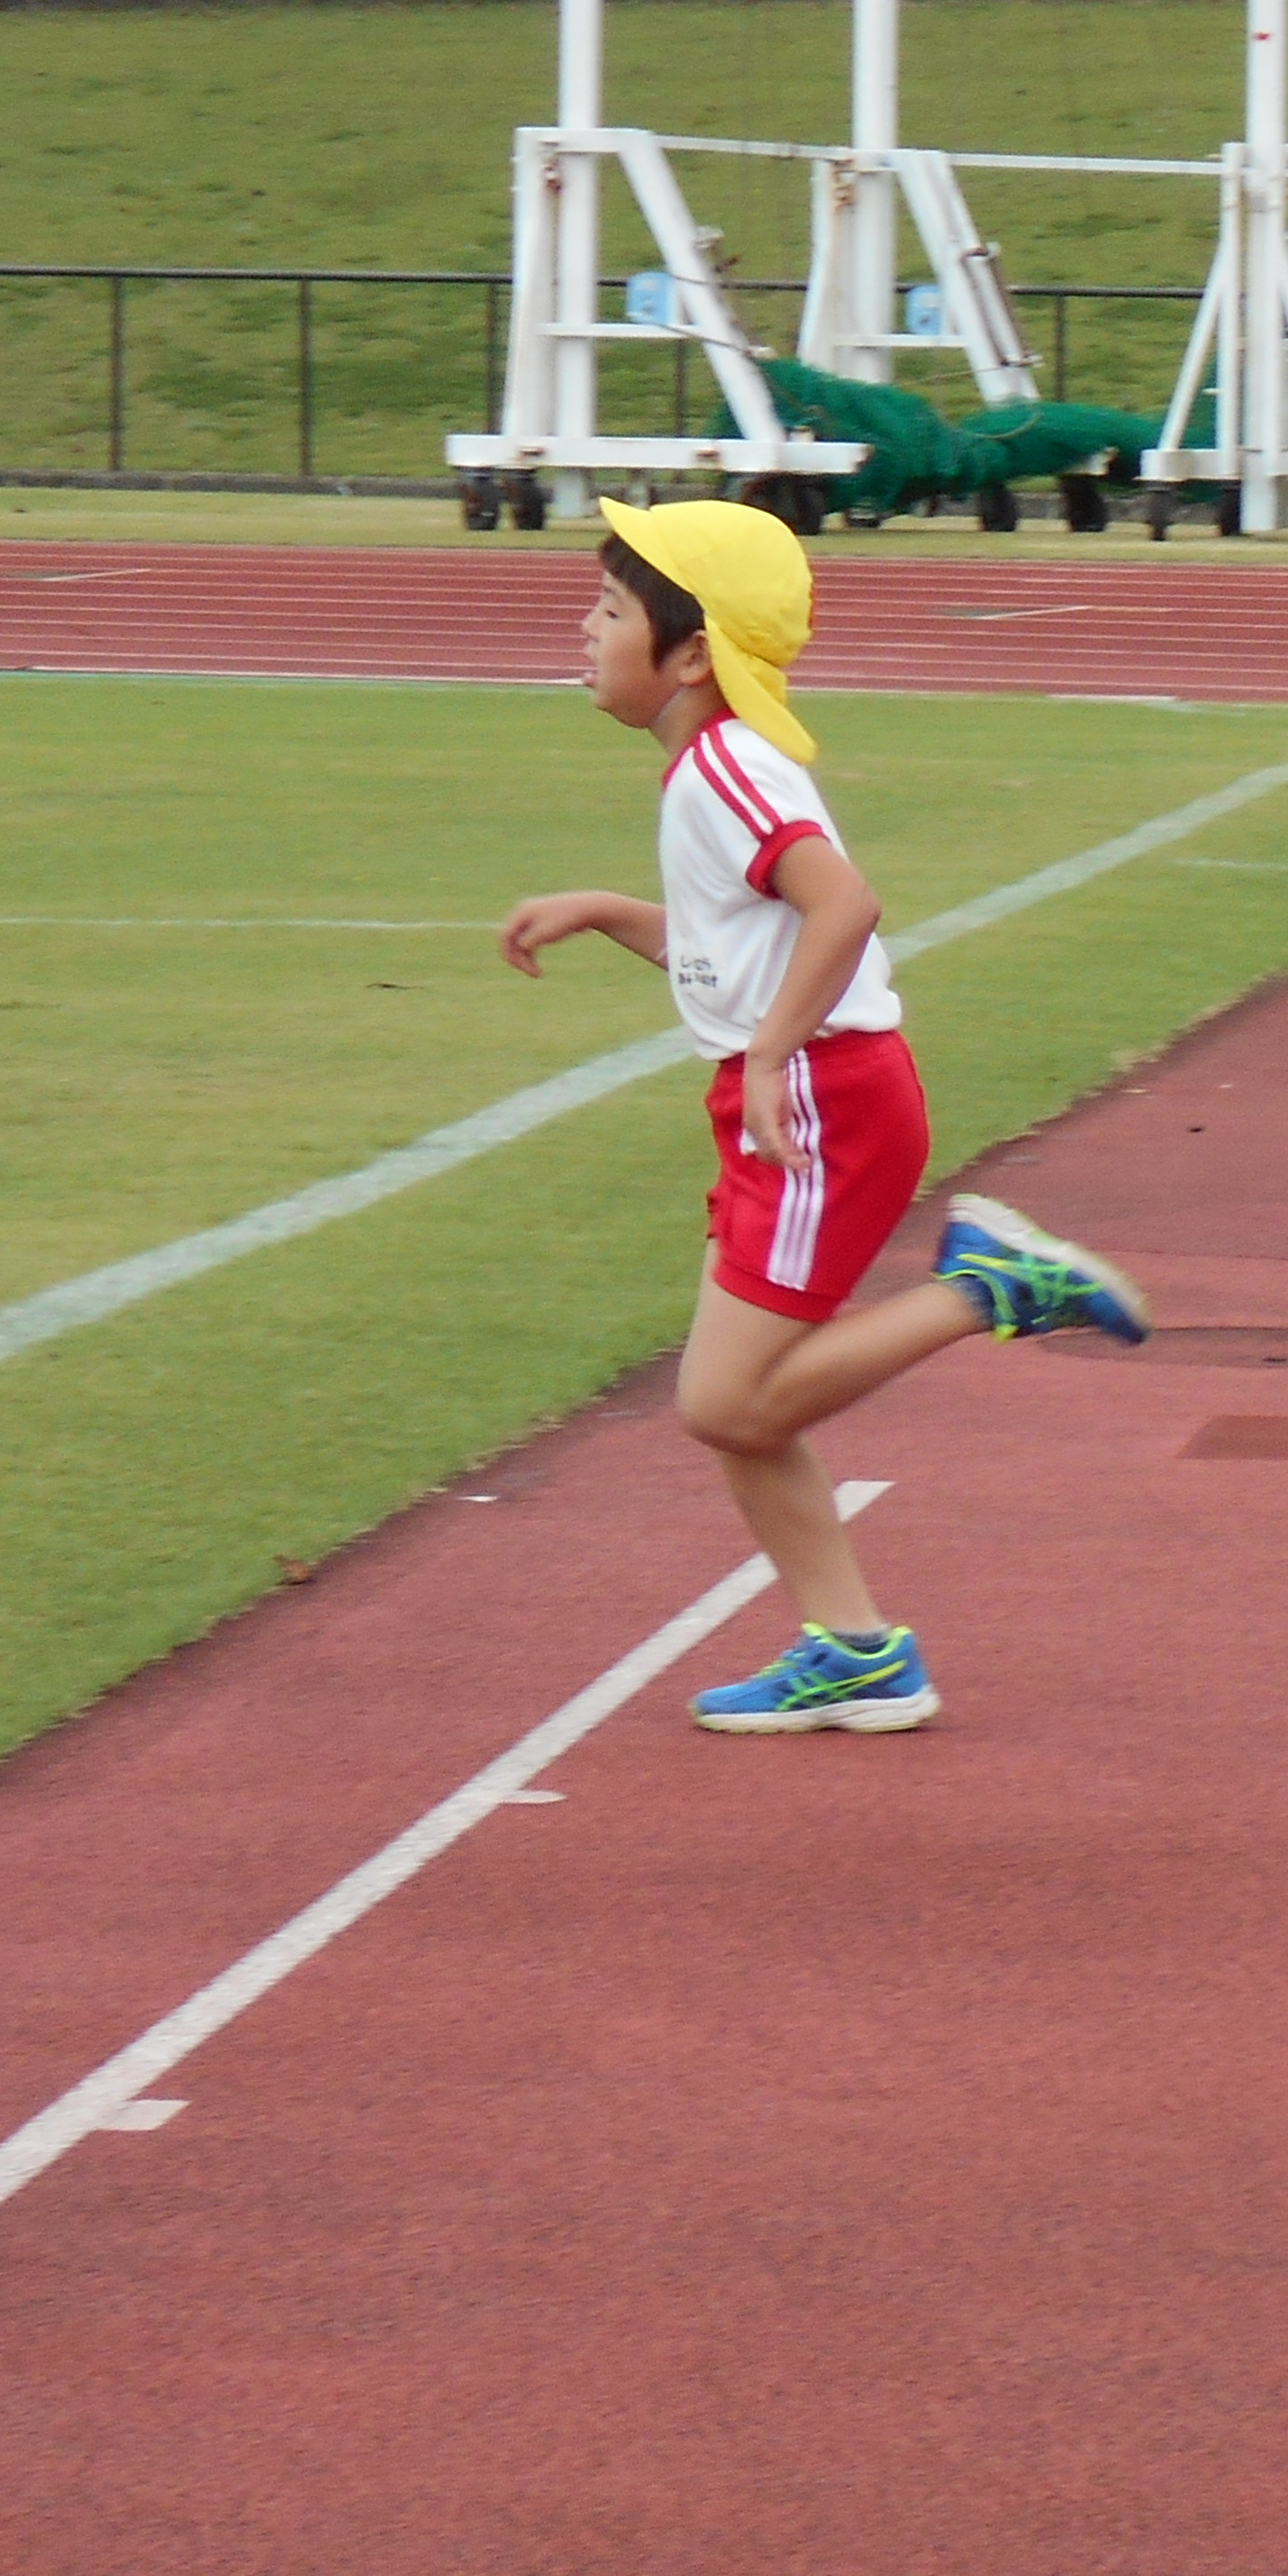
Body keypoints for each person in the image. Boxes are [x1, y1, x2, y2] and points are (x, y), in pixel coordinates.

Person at [497, 497, 1150, 1735]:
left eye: (609, 610)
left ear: (690, 651)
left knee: (727, 1405)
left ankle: (989, 1290)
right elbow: (736, 952)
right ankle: (856, 1651)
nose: (584, 631)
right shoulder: (711, 764)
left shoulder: (729, 765)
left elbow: (844, 905)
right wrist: (606, 909)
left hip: (819, 1100)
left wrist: (766, 1062)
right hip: (808, 1093)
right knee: (744, 1403)